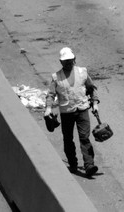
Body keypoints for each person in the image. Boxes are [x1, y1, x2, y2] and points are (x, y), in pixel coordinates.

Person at [44, 47, 100, 176]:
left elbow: (91, 88)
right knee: (68, 139)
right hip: (67, 112)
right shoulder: (56, 77)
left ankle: (89, 165)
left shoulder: (82, 72)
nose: (69, 63)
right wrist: (48, 108)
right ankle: (73, 164)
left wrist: (95, 103)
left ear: (74, 59)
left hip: (82, 109)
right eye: (66, 61)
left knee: (84, 138)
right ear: (61, 62)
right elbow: (51, 94)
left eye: (70, 60)